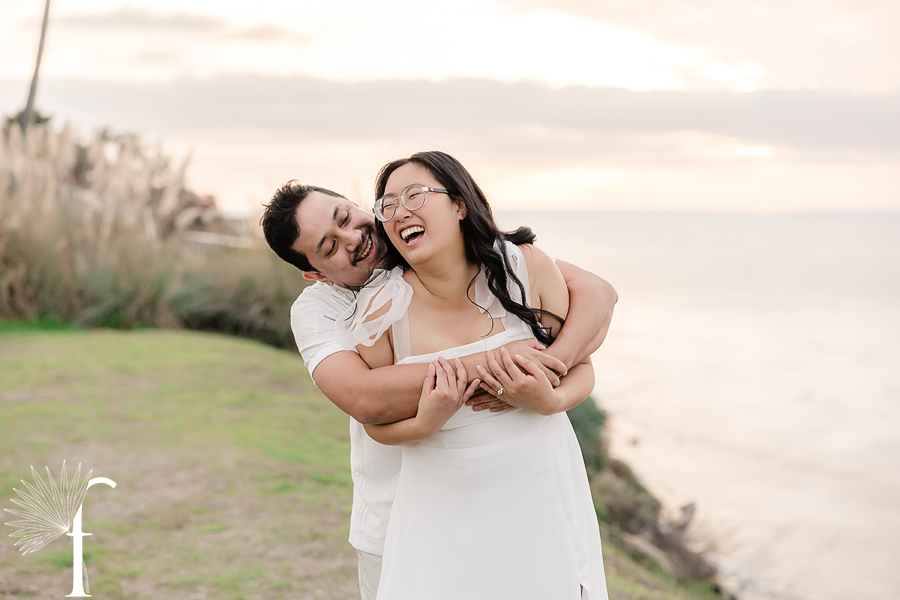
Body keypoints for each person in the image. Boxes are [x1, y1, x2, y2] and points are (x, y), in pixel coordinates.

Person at [261, 176, 616, 600]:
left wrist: (550, 368)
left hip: (506, 501)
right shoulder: (318, 310)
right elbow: (364, 398)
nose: (354, 237)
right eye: (330, 246)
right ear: (315, 274)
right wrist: (498, 361)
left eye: (346, 218)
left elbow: (596, 292)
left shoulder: (431, 248)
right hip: (393, 516)